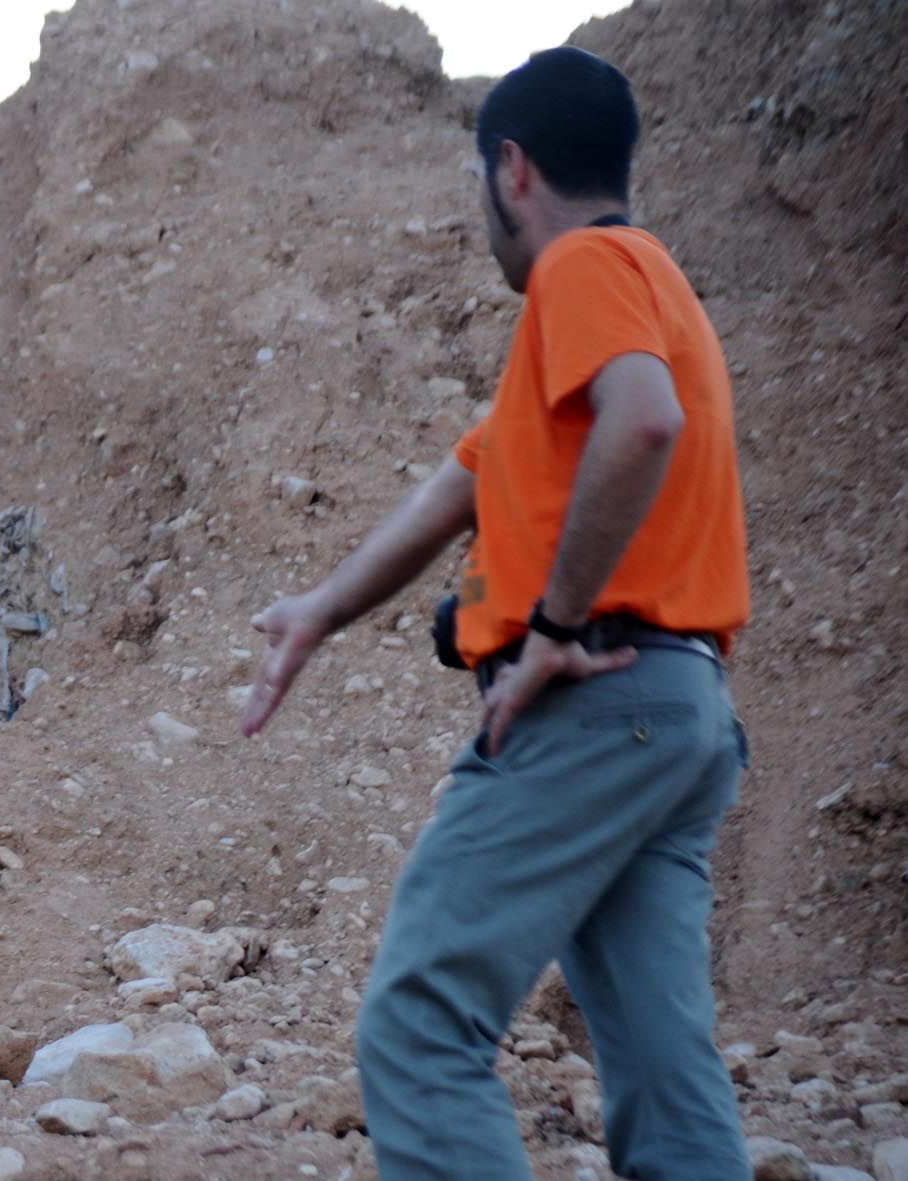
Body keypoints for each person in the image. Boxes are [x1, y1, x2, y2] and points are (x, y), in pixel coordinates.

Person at [239, 46, 752, 1181]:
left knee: (419, 1023)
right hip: (678, 716)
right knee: (667, 1078)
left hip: (594, 699)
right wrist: (320, 611)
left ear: (509, 168)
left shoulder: (585, 268)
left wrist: (555, 625)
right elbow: (456, 488)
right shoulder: (642, 292)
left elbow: (643, 423)